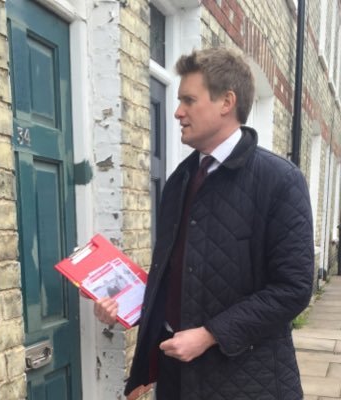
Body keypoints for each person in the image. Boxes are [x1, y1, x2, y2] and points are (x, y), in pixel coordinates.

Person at [94, 47, 314, 399]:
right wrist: (124, 302)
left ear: (226, 102)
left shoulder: (279, 180)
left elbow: (293, 288)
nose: (177, 112)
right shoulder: (181, 179)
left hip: (246, 381)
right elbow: (179, 273)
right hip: (177, 377)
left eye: (188, 100)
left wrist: (210, 334)